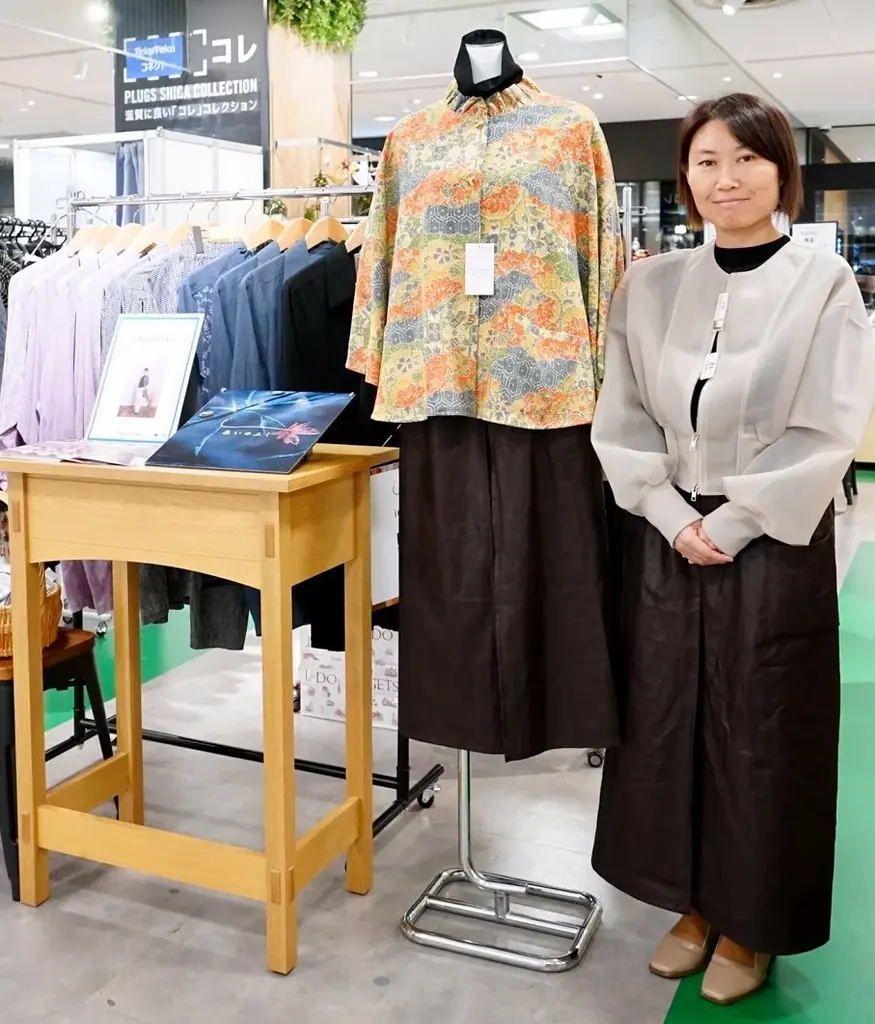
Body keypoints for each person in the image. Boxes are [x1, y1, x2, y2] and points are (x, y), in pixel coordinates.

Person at [590, 93, 875, 1007]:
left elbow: (826, 423)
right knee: (666, 719)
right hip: (665, 533)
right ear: (685, 177)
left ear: (780, 171)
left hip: (772, 536)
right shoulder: (647, 286)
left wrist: (732, 522)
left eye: (747, 159)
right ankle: (691, 902)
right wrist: (667, 511)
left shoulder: (821, 283)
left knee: (762, 732)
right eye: (707, 161)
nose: (727, 178)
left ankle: (751, 920)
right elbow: (621, 414)